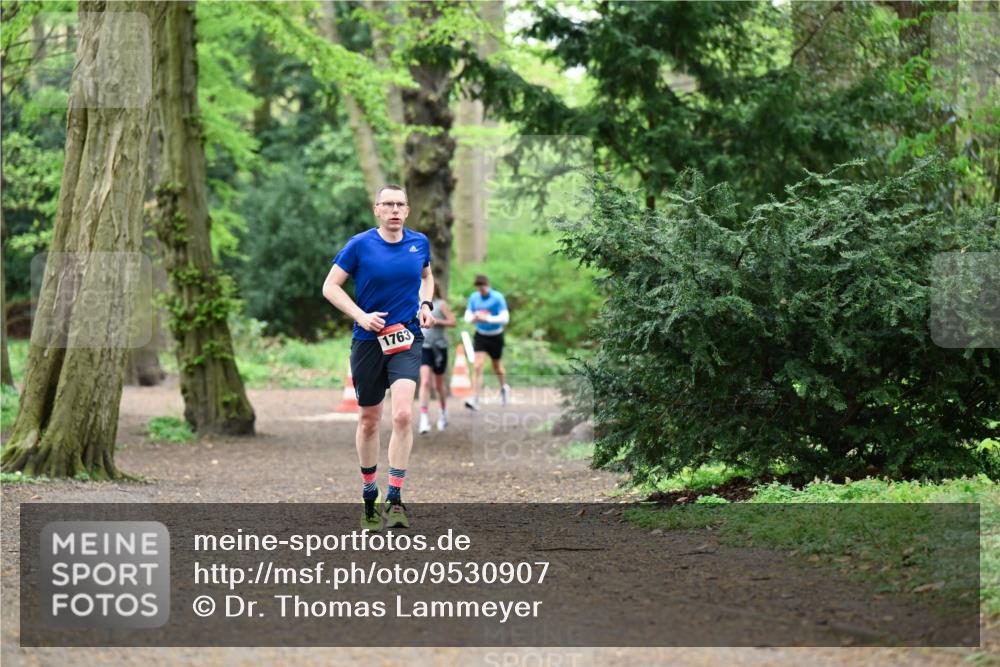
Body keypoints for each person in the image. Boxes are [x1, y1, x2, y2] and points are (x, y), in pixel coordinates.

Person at [322, 184, 435, 531]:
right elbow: (330, 287)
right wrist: (361, 316)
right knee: (369, 420)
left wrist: (426, 304)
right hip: (368, 341)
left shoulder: (419, 243)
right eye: (388, 204)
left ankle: (395, 498)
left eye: (400, 204)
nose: (394, 210)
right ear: (377, 209)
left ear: (408, 210)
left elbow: (426, 276)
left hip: (406, 337)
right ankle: (369, 495)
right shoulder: (359, 245)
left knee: (402, 415)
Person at [463, 274, 510, 410]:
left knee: (497, 367)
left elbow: (505, 318)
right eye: (478, 289)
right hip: (481, 335)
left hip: (496, 335)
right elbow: (467, 316)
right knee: (478, 366)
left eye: (482, 288)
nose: (481, 291)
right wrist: (474, 318)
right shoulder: (474, 297)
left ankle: (503, 388)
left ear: (487, 285)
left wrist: (487, 319)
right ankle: (475, 399)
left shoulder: (497, 297)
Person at [418, 285, 457, 434]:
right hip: (424, 347)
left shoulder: (441, 304)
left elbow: (452, 322)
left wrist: (437, 321)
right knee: (425, 382)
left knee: (438, 386)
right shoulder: (417, 304)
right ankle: (423, 418)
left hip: (439, 348)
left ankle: (443, 412)